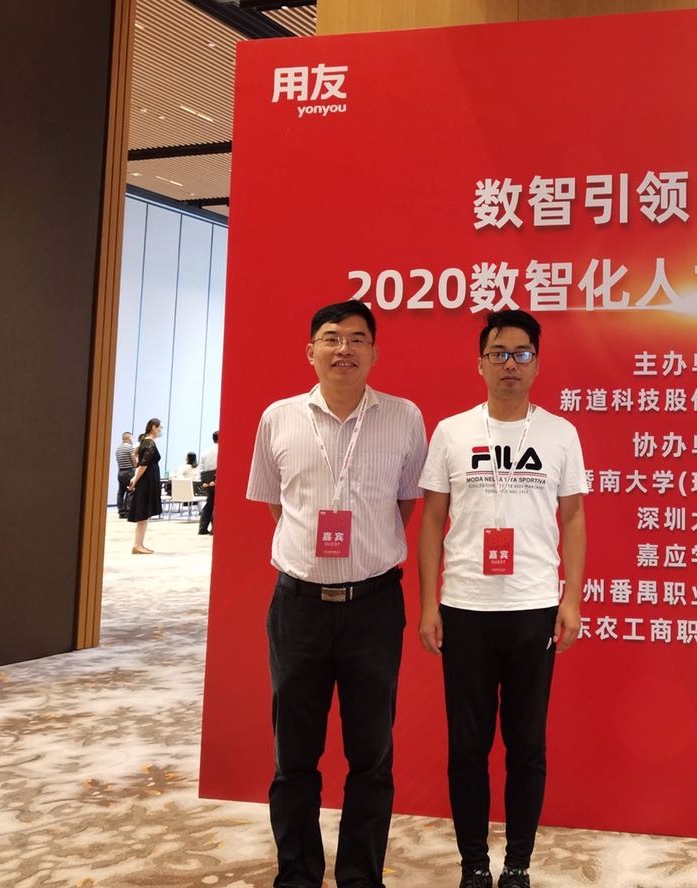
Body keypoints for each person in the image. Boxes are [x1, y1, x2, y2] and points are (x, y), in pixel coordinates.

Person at [247, 300, 428, 888]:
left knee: (371, 757)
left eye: (356, 338)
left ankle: (359, 877)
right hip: (297, 607)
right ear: (311, 351)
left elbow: (405, 503)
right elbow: (277, 506)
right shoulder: (278, 418)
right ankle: (297, 875)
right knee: (293, 757)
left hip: (373, 607)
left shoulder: (404, 417)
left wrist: (363, 553)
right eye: (331, 337)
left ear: (374, 352)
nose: (343, 348)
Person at [417, 309, 587, 888]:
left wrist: (571, 598)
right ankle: (473, 864)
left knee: (526, 746)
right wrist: (430, 603)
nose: (509, 364)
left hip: (533, 606)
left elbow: (574, 517)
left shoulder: (560, 434)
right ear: (481, 363)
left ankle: (517, 864)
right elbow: (432, 519)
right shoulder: (452, 432)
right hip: (465, 607)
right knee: (467, 746)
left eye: (521, 354)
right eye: (498, 353)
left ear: (537, 363)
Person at [125, 418, 164, 554]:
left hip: (146, 480)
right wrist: (135, 480)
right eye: (160, 427)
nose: (161, 430)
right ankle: (137, 545)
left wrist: (135, 478)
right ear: (154, 427)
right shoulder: (149, 443)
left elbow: (138, 460)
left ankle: (139, 544)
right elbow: (143, 465)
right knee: (143, 513)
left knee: (144, 513)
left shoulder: (145, 442)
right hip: (146, 481)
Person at [198, 430, 218, 536]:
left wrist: (204, 481)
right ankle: (214, 529)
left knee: (209, 503)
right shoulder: (222, 450)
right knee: (216, 504)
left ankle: (202, 527)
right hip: (216, 478)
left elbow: (201, 468)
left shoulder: (205, 452)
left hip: (206, 479)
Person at [114, 431, 136, 519]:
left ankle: (121, 512)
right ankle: (128, 511)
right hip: (129, 471)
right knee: (130, 491)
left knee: (120, 492)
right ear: (128, 438)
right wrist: (136, 465)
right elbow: (134, 460)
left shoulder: (118, 449)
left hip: (120, 472)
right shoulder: (129, 448)